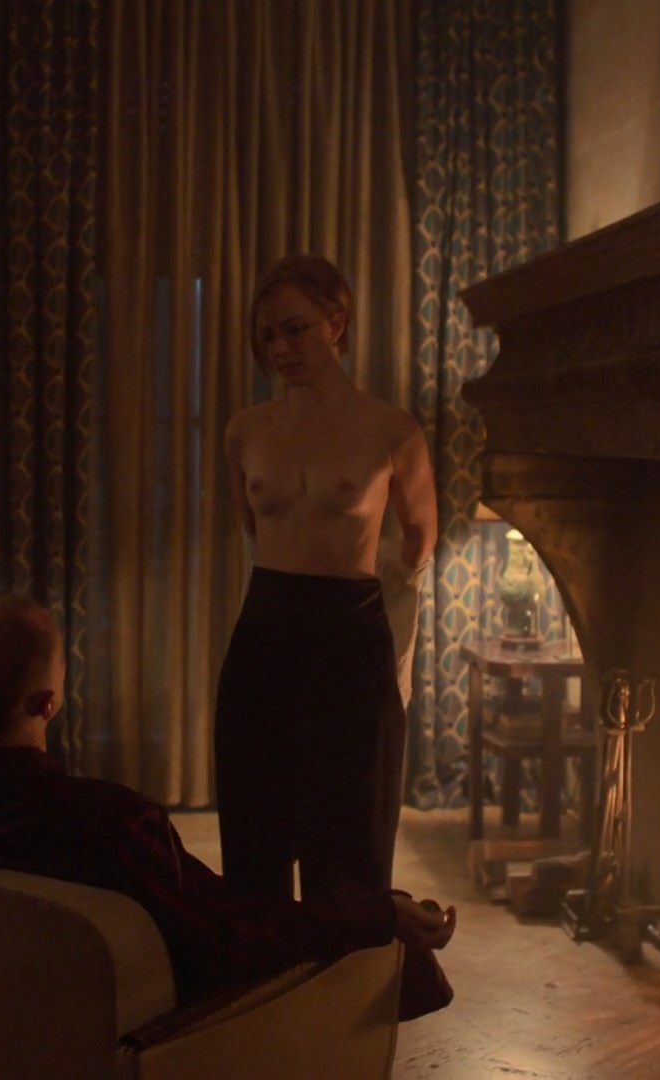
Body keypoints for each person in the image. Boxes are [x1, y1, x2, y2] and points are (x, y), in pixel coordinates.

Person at [0, 595, 456, 1010]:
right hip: (114, 1046)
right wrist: (378, 913)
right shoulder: (111, 824)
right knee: (375, 944)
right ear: (49, 703)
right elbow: (232, 943)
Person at [217, 254, 438, 908]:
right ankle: (264, 967)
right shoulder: (245, 431)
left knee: (349, 844)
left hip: (349, 632)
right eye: (268, 336)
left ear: (335, 324)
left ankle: (345, 970)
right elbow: (251, 527)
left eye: (295, 329)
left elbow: (420, 539)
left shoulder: (391, 430)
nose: (280, 349)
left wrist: (379, 611)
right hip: (265, 632)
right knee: (254, 836)